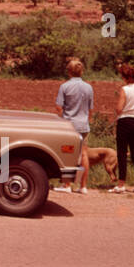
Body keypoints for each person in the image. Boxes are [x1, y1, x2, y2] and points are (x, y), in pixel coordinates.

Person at [53, 58, 95, 194]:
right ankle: (83, 186)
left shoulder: (64, 86)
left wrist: (63, 117)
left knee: (67, 154)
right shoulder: (89, 87)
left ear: (69, 71)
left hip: (69, 125)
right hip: (83, 125)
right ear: (81, 71)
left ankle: (67, 186)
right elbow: (90, 109)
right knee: (84, 155)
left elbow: (58, 106)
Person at [112, 62, 134, 193]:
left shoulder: (125, 90)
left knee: (122, 153)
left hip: (125, 122)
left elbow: (119, 108)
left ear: (126, 77)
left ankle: (121, 184)